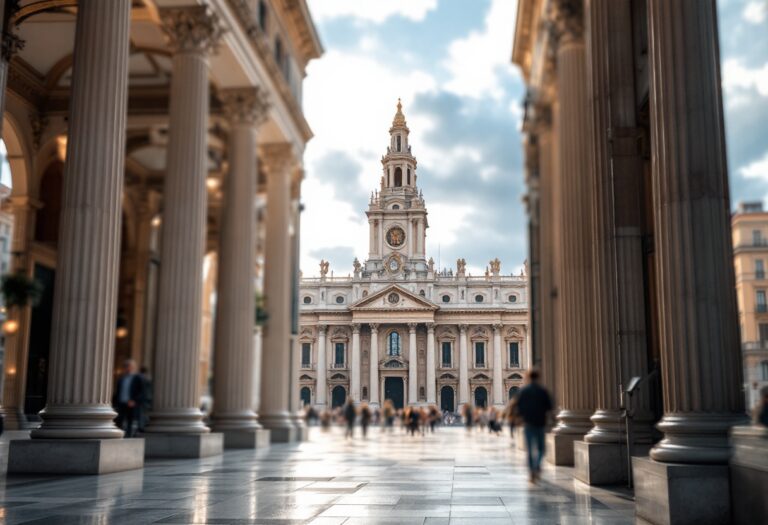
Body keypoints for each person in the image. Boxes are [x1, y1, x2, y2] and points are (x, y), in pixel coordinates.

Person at [515, 368, 553, 483]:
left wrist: (523, 416)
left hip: (528, 423)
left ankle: (532, 471)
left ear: (528, 377)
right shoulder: (543, 391)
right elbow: (549, 406)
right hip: (540, 423)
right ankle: (537, 466)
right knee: (541, 448)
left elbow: (519, 407)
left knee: (530, 449)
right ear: (538, 378)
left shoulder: (523, 391)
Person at [113, 359, 145, 437]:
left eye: (128, 366)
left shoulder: (138, 378)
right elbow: (118, 391)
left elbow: (141, 391)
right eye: (125, 366)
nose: (127, 368)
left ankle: (129, 435)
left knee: (130, 420)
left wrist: (134, 401)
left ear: (133, 367)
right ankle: (119, 435)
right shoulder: (121, 378)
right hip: (121, 402)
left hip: (131, 403)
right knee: (119, 419)